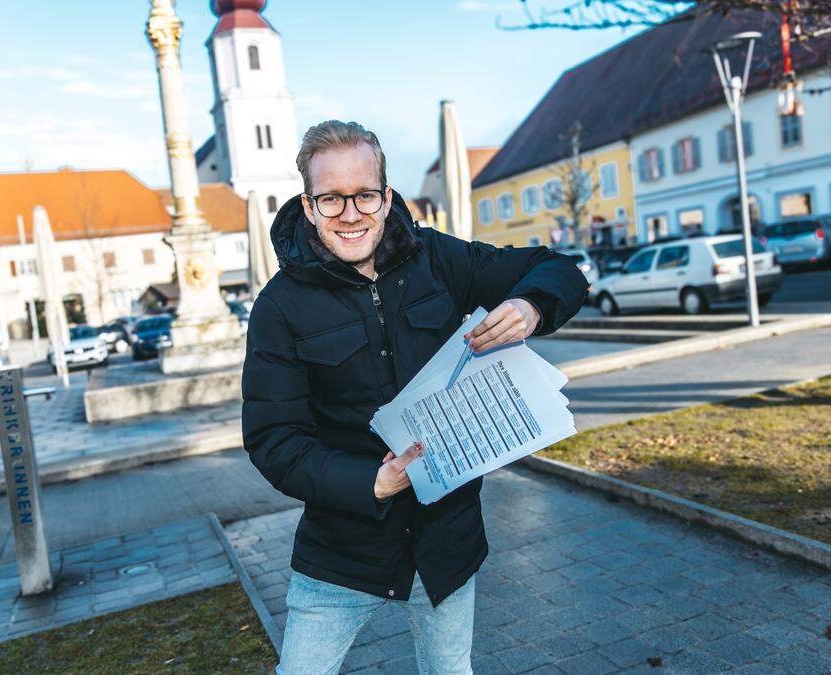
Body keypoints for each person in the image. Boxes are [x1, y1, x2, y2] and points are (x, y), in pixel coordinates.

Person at [242, 120, 588, 674]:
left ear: (386, 196)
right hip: (341, 548)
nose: (351, 213)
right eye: (331, 199)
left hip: (444, 540)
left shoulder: (437, 259)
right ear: (308, 206)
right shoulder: (280, 306)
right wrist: (371, 482)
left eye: (364, 195)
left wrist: (531, 307)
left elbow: (557, 268)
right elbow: (272, 439)